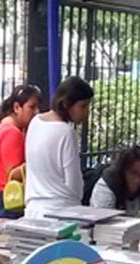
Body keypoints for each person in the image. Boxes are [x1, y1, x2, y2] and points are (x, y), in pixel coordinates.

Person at [24, 76, 94, 219]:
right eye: (83, 106)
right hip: (61, 211)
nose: (86, 112)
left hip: (33, 208)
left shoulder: (35, 122)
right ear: (68, 103)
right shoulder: (66, 133)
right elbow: (74, 183)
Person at [0, 84, 42, 222]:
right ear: (17, 107)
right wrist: (39, 161)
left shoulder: (5, 126)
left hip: (0, 196)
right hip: (8, 199)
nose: (37, 112)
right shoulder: (12, 132)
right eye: (32, 107)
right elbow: (13, 173)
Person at [89, 146, 140, 217]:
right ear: (123, 170)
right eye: (133, 173)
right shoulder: (106, 188)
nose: (138, 180)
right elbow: (103, 222)